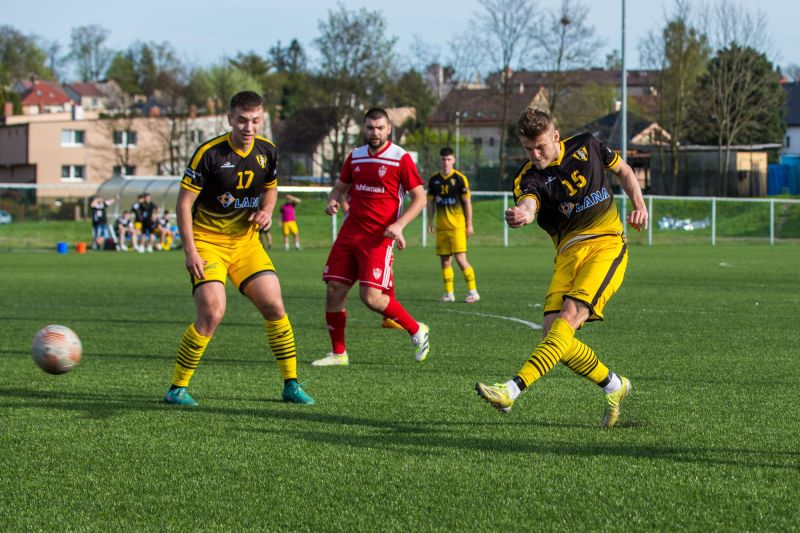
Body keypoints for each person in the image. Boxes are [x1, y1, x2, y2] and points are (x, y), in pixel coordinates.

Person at [475, 107, 648, 429]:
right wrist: (525, 214)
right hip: (568, 255)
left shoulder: (588, 145)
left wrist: (639, 205)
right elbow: (529, 201)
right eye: (528, 149)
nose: (536, 155)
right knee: (553, 334)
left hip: (606, 244)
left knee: (568, 318)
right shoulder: (529, 177)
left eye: (541, 147)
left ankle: (511, 389)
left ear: (556, 136)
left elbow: (624, 171)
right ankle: (615, 385)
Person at [162, 90, 314, 406]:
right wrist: (190, 251)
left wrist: (267, 212)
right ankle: (177, 388)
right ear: (230, 119)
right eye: (242, 120)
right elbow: (184, 203)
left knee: (274, 304)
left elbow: (271, 191)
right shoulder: (209, 154)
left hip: (246, 243)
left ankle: (291, 384)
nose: (248, 127)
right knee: (212, 311)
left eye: (255, 120)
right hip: (208, 242)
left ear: (262, 120)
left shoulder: (268, 151)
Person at [312, 107, 429, 366]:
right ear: (363, 129)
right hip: (350, 233)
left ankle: (416, 329)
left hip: (378, 238)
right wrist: (332, 201)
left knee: (371, 298)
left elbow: (420, 198)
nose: (374, 132)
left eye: (380, 128)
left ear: (389, 129)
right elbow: (339, 188)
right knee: (334, 290)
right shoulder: (355, 157)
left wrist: (399, 226)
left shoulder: (401, 158)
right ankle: (338, 354)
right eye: (370, 128)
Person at [426, 147, 480, 303]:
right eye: (443, 159)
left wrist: (469, 224)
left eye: (449, 159)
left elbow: (467, 203)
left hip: (457, 227)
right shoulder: (433, 180)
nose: (445, 163)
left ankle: (473, 291)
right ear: (439, 160)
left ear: (454, 160)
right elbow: (430, 202)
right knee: (444, 261)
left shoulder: (460, 178)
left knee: (460, 259)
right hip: (442, 227)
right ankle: (449, 293)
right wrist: (430, 221)